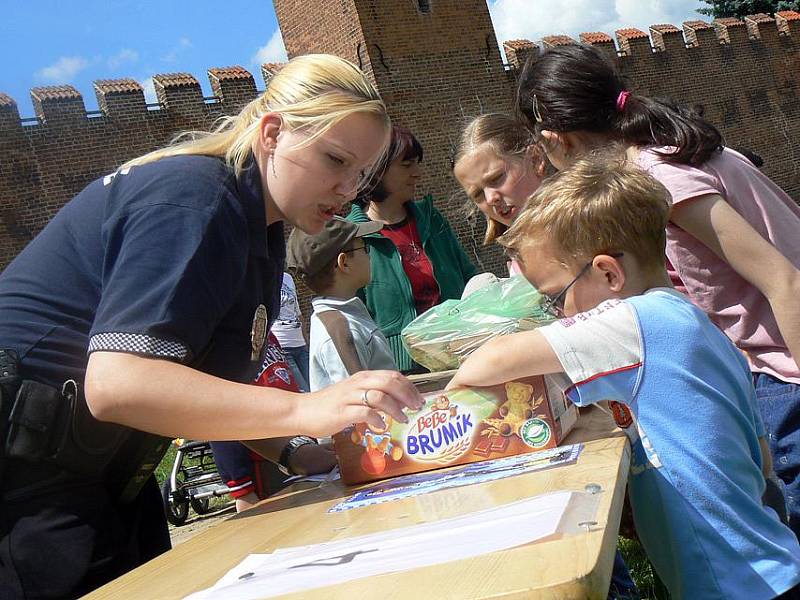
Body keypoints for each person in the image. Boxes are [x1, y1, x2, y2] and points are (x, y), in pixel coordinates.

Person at [0, 53, 424, 598]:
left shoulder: (258, 229)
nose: (349, 189)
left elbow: (209, 385)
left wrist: (291, 452)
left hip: (103, 480)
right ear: (273, 134)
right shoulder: (195, 198)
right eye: (335, 160)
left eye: (362, 175)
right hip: (29, 488)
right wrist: (306, 409)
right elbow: (118, 384)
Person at [446, 154, 800, 599]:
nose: (559, 315)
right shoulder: (693, 322)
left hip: (734, 586)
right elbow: (761, 459)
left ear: (608, 273)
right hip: (768, 566)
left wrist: (448, 405)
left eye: (556, 299)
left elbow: (491, 360)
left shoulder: (634, 321)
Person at [516, 43, 800, 536]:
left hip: (787, 378)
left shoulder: (658, 178)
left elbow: (784, 279)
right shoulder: (668, 153)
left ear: (554, 140)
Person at [347, 125, 477, 373]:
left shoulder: (431, 218)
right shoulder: (352, 236)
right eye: (407, 165)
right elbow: (353, 320)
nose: (418, 173)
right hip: (402, 374)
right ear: (376, 170)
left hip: (462, 356)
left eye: (418, 163)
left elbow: (468, 276)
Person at [211, 332, 337, 513]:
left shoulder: (267, 334)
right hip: (260, 463)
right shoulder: (225, 344)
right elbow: (220, 420)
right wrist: (241, 488)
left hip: (295, 451)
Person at [287, 216, 396, 392]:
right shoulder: (342, 332)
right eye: (365, 248)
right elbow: (359, 404)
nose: (369, 255)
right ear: (344, 262)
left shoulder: (342, 318)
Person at [271, 272, 311, 392]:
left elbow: (298, 312)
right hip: (283, 347)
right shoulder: (263, 277)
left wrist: (306, 341)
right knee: (303, 391)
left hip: (300, 344)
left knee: (316, 385)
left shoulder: (288, 278)